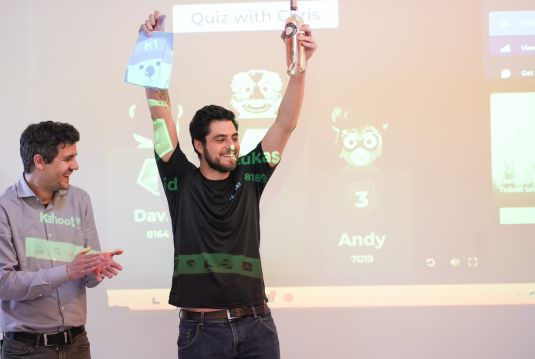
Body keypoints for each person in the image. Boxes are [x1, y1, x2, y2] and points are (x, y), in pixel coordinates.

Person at [139, 10, 316, 359]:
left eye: (234, 137)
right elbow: (159, 112)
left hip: (257, 326)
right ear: (199, 146)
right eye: (220, 139)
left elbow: (286, 124)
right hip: (202, 333)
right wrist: (154, 50)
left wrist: (299, 67)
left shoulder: (250, 175)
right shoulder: (179, 177)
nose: (231, 145)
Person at [0, 121, 123, 358]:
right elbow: (4, 283)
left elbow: (87, 279)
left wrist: (95, 268)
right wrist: (67, 271)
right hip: (26, 349)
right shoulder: (5, 208)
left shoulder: (80, 200)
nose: (75, 166)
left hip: (77, 344)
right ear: (39, 161)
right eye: (67, 159)